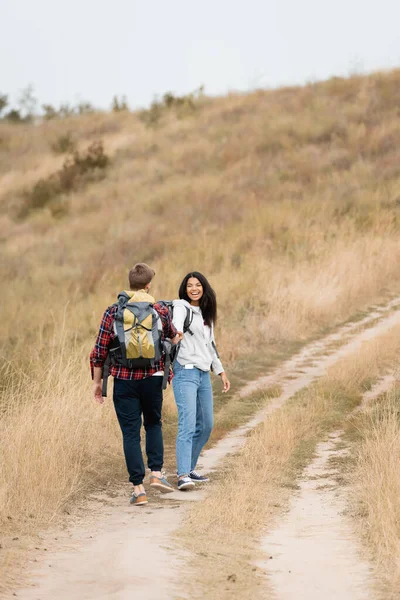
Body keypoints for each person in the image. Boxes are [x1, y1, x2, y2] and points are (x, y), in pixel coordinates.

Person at [90, 263, 182, 506]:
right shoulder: (159, 309)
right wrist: (175, 338)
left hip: (124, 381)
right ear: (149, 285)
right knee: (153, 424)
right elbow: (172, 336)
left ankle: (138, 489)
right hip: (153, 380)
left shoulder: (113, 311)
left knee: (130, 433)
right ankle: (157, 474)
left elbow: (99, 352)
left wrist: (98, 383)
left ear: (129, 284)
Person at [172, 271, 230, 491]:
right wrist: (176, 334)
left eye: (197, 285)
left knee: (206, 425)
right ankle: (183, 474)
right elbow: (176, 326)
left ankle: (190, 467)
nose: (193, 289)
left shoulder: (206, 315)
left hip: (204, 373)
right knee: (187, 424)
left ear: (204, 288)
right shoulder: (180, 307)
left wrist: (221, 371)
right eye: (189, 285)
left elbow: (210, 345)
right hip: (185, 372)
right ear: (184, 289)